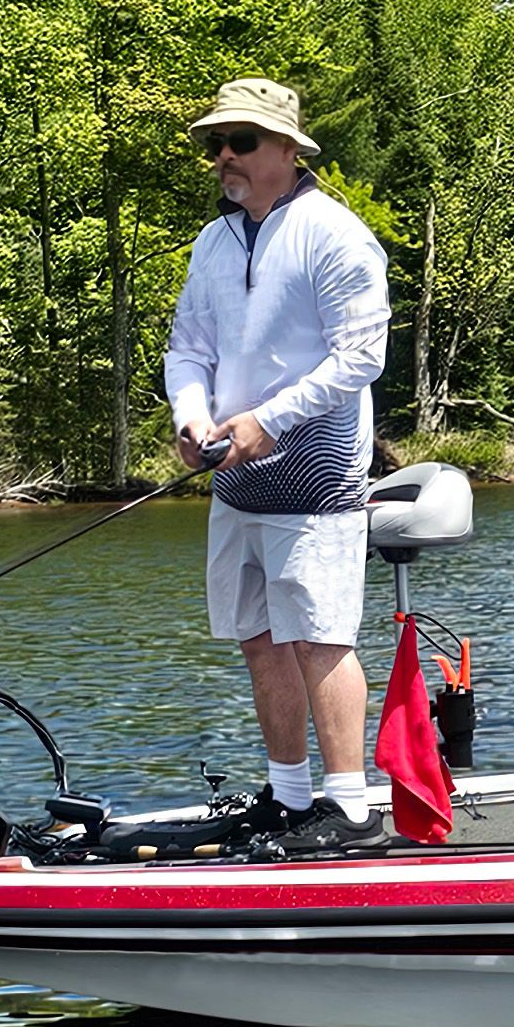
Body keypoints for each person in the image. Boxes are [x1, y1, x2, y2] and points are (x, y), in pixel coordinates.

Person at [162, 77, 393, 854]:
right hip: (235, 475)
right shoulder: (213, 241)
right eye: (215, 144)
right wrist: (192, 419)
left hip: (317, 472)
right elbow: (188, 349)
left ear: (287, 151)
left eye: (241, 142)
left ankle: (352, 810)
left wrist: (273, 418)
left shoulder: (335, 234)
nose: (223, 157)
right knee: (260, 638)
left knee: (319, 636)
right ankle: (292, 799)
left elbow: (362, 355)